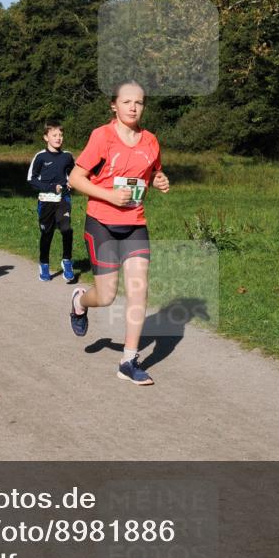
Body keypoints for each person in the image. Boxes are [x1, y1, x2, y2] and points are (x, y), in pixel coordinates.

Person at [67, 81, 170, 385]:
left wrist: (160, 180)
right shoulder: (103, 136)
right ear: (114, 105)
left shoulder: (150, 140)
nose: (133, 107)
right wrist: (109, 195)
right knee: (107, 295)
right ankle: (79, 302)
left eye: (138, 102)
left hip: (135, 223)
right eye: (126, 102)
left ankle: (128, 360)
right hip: (102, 223)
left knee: (139, 290)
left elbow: (152, 172)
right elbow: (75, 178)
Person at [27, 121, 76, 282]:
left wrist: (72, 182)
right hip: (45, 201)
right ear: (46, 137)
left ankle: (67, 261)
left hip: (63, 199)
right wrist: (50, 187)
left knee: (67, 229)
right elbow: (31, 179)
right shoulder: (40, 157)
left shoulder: (67, 156)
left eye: (61, 135)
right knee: (47, 234)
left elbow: (75, 175)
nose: (58, 138)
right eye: (54, 135)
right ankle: (44, 264)